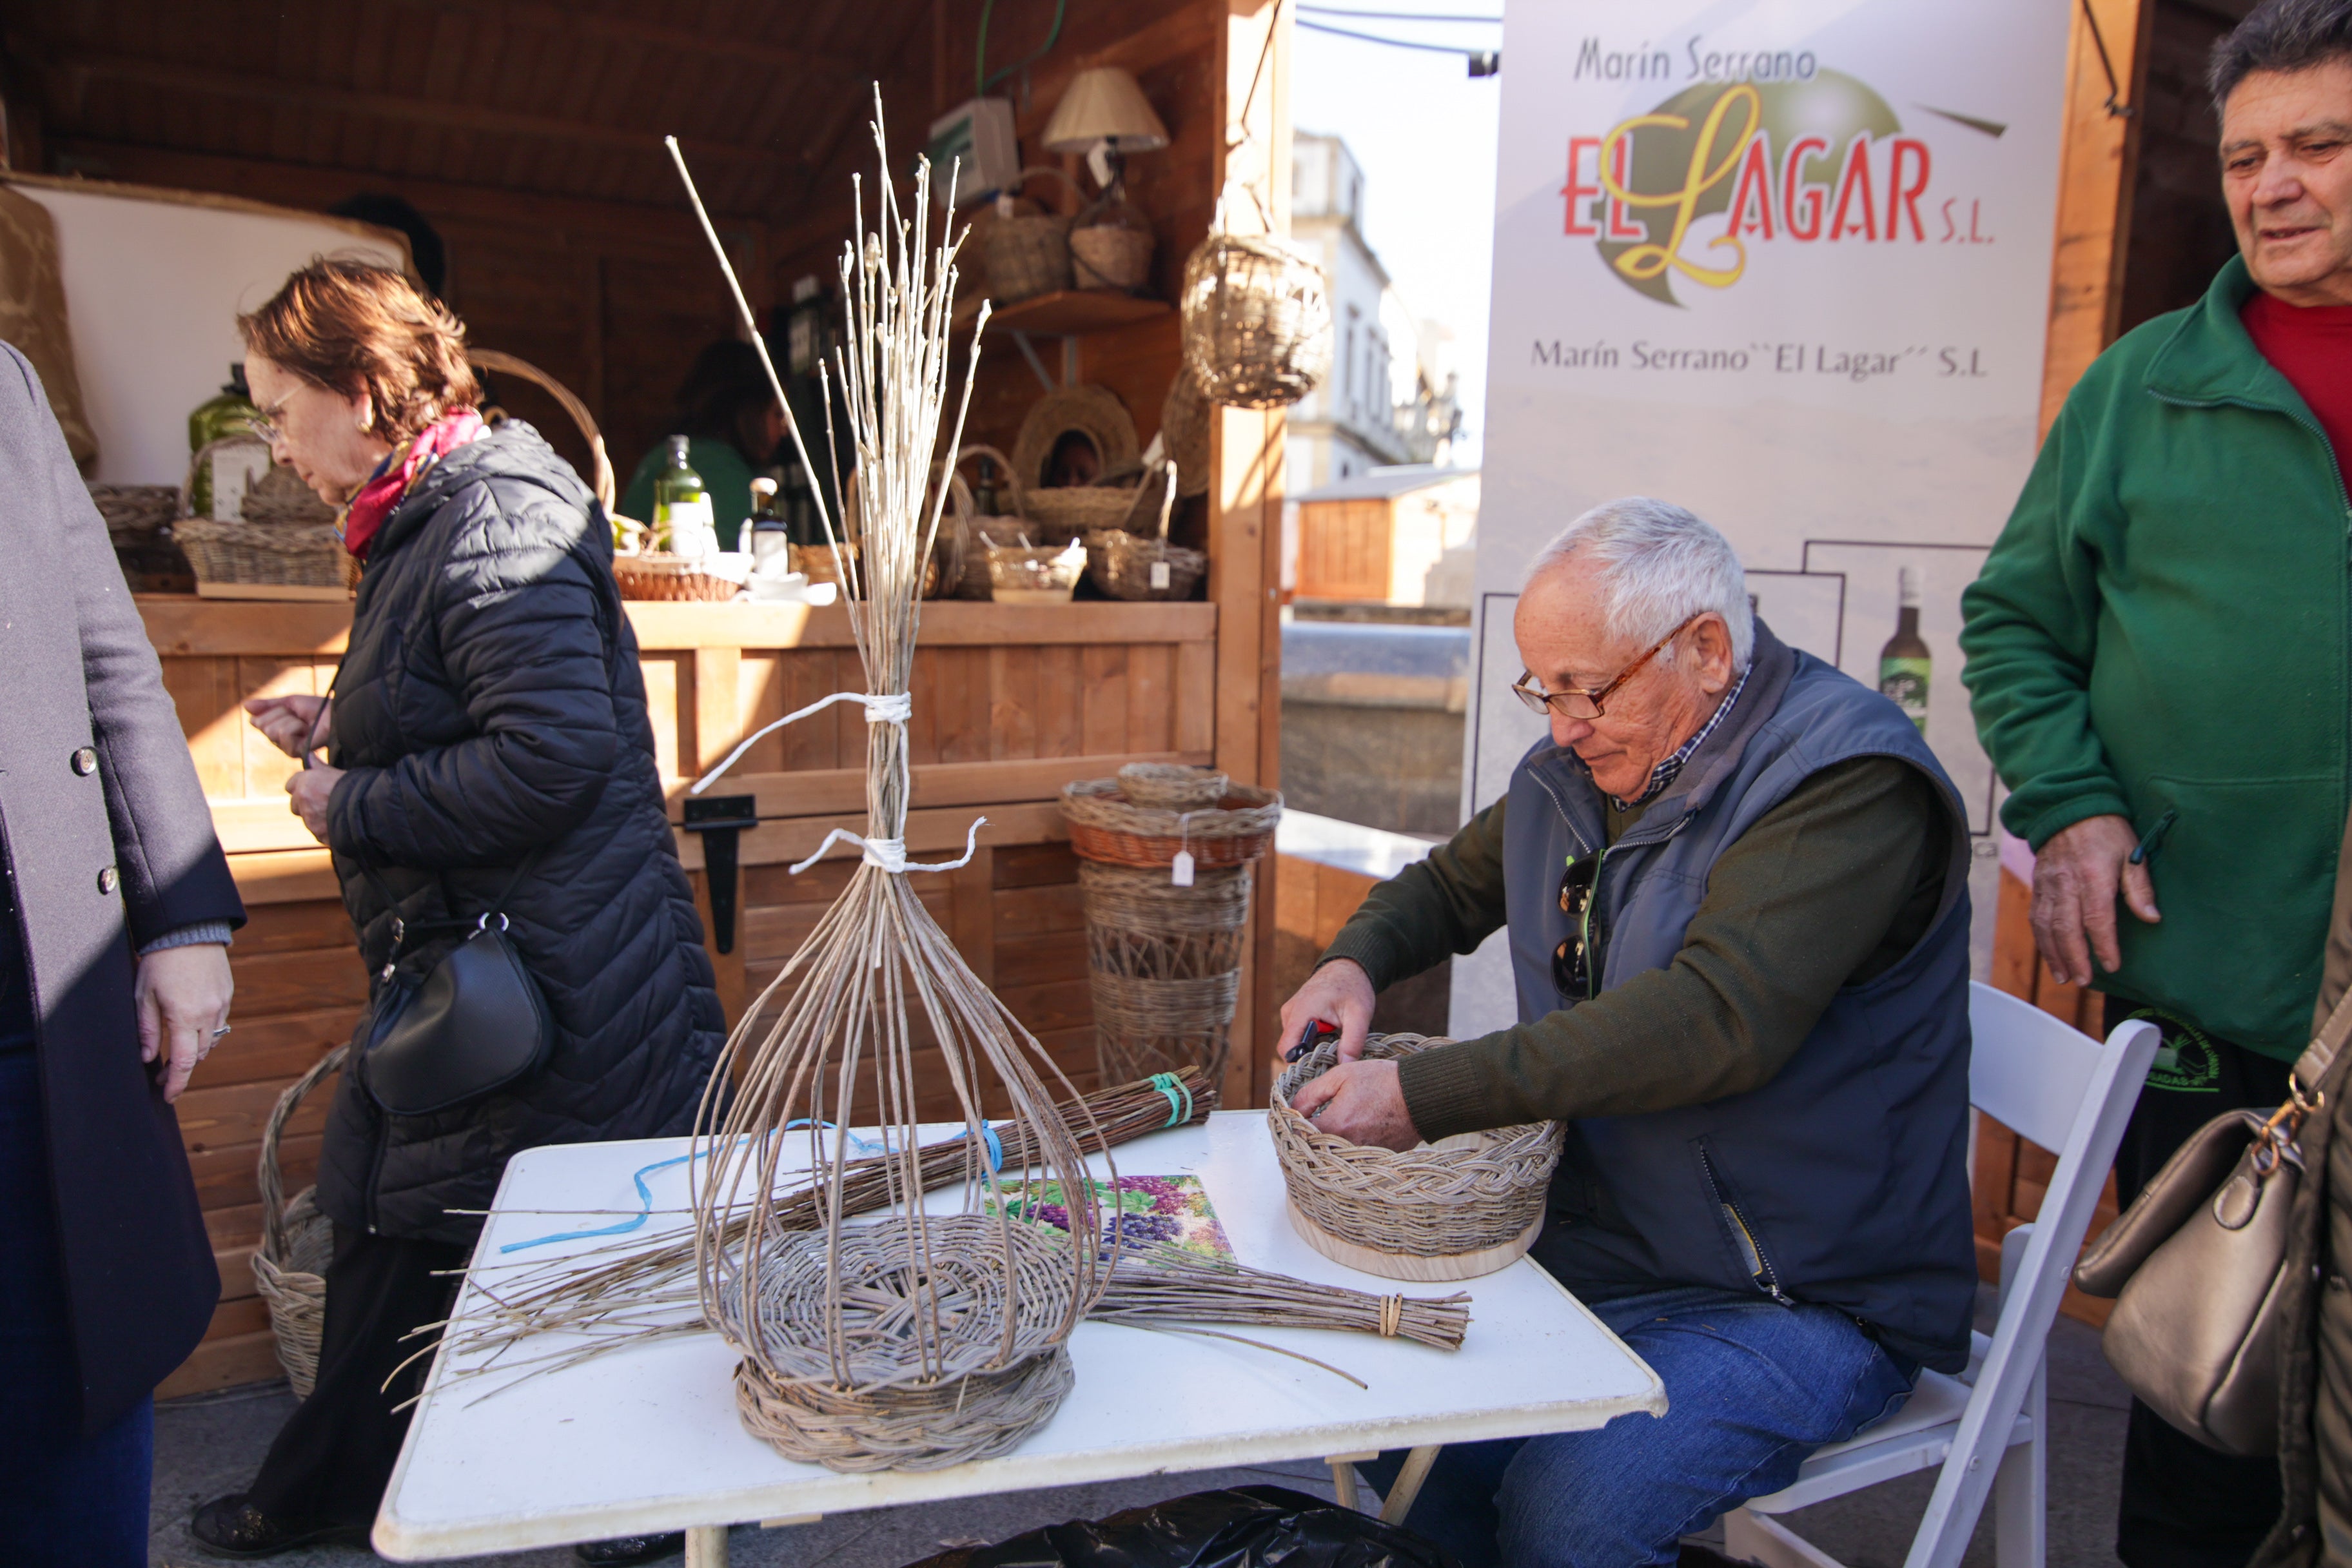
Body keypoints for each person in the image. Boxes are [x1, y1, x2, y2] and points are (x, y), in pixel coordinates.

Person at [1277, 498, 1975, 1568]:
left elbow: (1712, 1020)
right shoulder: (1588, 769)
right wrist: (1351, 960)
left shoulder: (1842, 782)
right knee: (1405, 1411)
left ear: (1702, 648)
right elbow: (1452, 884)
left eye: (1584, 688)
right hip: (1609, 1238)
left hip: (1802, 1289)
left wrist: (1425, 1096)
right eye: (1543, 689)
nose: (1559, 724)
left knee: (1574, 1505)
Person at [188, 260, 722, 1568]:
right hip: (511, 962)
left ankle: (633, 1508)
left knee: (468, 1221)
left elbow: (551, 757)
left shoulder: (491, 512)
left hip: (559, 972)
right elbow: (481, 710)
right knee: (398, 1210)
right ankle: (348, 1487)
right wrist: (344, 729)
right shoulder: (430, 512)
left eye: (278, 410)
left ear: (364, 393)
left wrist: (352, 798)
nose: (274, 443)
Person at [1957, 2, 2352, 1558]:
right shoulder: (2141, 388)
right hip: (2202, 991)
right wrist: (2074, 800)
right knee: (2206, 1385)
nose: (2273, 185)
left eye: (2318, 144)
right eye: (2248, 155)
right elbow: (2009, 623)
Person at [0, 342, 244, 1568]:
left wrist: (182, 915)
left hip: (38, 991)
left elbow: (110, 654)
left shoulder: (6, 386)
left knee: (76, 1381)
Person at [616, 337, 787, 550]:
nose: (784, 429)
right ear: (749, 410)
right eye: (777, 414)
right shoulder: (720, 470)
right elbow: (768, 555)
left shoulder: (663, 456)